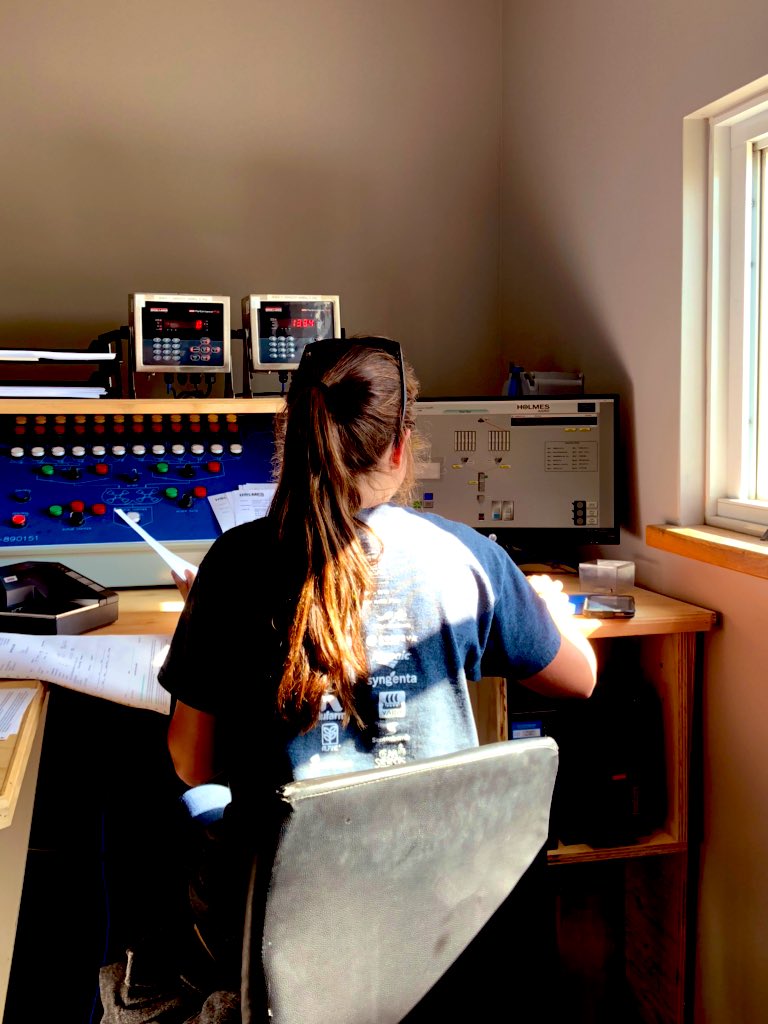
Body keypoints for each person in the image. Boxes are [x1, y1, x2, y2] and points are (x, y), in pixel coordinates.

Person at [157, 336, 596, 990]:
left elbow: (194, 764)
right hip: (438, 917)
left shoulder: (233, 566)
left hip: (284, 919)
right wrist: (548, 612)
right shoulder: (469, 558)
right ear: (399, 447)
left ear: (296, 434)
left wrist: (213, 624)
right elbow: (578, 679)